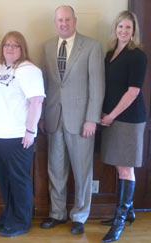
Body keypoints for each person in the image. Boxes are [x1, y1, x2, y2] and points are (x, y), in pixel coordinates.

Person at [40, 5, 105, 235]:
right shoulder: (47, 47)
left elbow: (97, 87)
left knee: (82, 170)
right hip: (54, 118)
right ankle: (56, 214)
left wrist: (92, 119)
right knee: (55, 169)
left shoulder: (92, 46)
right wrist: (40, 116)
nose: (63, 23)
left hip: (81, 122)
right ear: (55, 22)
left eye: (67, 19)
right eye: (59, 20)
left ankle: (79, 215)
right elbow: (45, 85)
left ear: (75, 21)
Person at [0, 31, 45, 237]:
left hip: (16, 135)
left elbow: (37, 101)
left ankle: (21, 221)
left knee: (19, 180)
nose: (10, 48)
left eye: (15, 45)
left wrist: (30, 131)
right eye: (6, 44)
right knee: (4, 179)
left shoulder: (28, 70)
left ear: (22, 48)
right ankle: (10, 215)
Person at [100, 10, 147, 243]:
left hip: (128, 119)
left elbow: (133, 92)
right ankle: (127, 213)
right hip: (110, 117)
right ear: (115, 29)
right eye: (120, 27)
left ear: (134, 31)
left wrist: (111, 116)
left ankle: (119, 222)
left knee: (126, 168)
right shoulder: (110, 54)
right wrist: (103, 114)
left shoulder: (137, 56)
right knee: (120, 166)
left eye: (128, 28)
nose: (124, 31)